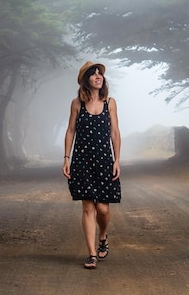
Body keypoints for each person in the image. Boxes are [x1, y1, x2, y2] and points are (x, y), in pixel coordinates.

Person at [63, 61, 121, 269]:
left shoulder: (110, 103)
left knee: (103, 209)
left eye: (100, 74)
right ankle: (91, 254)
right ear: (86, 80)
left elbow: (115, 132)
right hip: (82, 160)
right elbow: (71, 131)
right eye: (93, 74)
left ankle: (103, 236)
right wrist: (66, 159)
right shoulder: (77, 103)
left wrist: (117, 160)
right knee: (88, 207)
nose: (98, 76)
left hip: (105, 160)